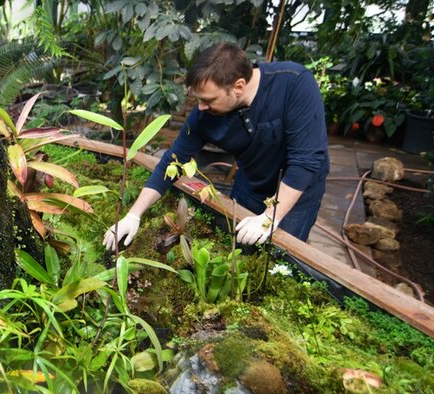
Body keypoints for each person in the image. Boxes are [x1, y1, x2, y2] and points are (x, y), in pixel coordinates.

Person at [103, 42, 330, 250]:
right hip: (250, 184)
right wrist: (133, 215)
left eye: (209, 100)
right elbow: (171, 163)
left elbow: (306, 161)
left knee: (278, 257)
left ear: (238, 86)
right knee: (237, 249)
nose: (201, 107)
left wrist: (270, 217)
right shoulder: (205, 115)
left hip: (297, 193)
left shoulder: (294, 83)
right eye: (199, 99)